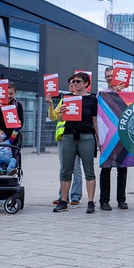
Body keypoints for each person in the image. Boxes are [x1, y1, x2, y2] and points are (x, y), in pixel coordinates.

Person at [53, 72, 99, 214]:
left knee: (88, 170)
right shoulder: (67, 98)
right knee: (66, 170)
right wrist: (62, 111)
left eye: (78, 81)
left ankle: (90, 202)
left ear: (86, 84)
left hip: (86, 136)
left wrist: (99, 140)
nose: (75, 83)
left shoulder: (92, 100)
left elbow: (94, 121)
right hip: (68, 136)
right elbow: (60, 118)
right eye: (73, 81)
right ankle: (64, 201)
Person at [46, 78, 83, 206]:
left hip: (76, 137)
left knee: (76, 168)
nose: (72, 85)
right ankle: (63, 196)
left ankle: (76, 196)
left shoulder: (83, 99)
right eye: (70, 84)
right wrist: (51, 104)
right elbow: (53, 117)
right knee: (64, 168)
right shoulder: (64, 100)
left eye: (75, 83)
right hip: (63, 138)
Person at [99, 66, 128, 211]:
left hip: (122, 136)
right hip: (108, 137)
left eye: (112, 75)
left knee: (122, 169)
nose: (110, 78)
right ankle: (104, 201)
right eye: (107, 76)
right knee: (106, 168)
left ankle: (121, 200)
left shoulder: (127, 95)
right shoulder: (102, 94)